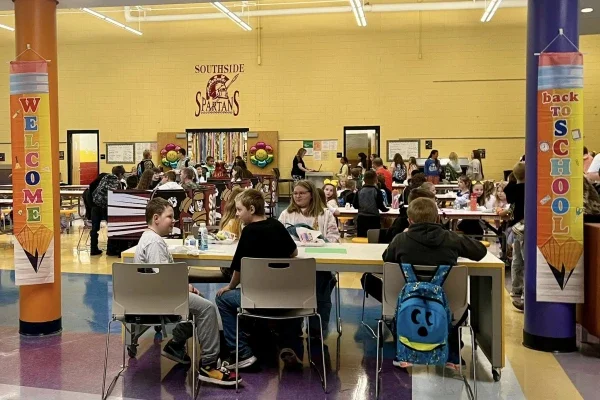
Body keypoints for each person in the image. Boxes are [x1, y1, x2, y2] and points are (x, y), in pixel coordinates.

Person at [134, 198, 237, 386]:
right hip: (160, 300)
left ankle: (176, 345)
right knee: (206, 308)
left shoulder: (149, 238)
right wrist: (184, 287)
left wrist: (185, 287)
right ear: (156, 218)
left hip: (153, 296)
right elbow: (162, 278)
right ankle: (209, 364)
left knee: (200, 302)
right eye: (169, 217)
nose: (173, 220)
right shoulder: (154, 243)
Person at [382, 197, 487, 368]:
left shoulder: (400, 240)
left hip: (408, 304)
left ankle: (404, 349)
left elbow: (387, 259)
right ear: (438, 218)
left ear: (410, 220)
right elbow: (480, 251)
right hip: (449, 305)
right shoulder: (451, 238)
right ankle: (452, 354)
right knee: (460, 308)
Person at [215, 190, 299, 369]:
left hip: (257, 299)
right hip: (285, 297)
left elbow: (239, 270)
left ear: (251, 209)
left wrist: (230, 287)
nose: (236, 214)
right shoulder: (277, 225)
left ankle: (241, 352)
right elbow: (294, 253)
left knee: (222, 299)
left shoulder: (248, 232)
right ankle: (287, 342)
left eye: (239, 210)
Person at [278, 180, 339, 340]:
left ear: (311, 195)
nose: (297, 196)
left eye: (302, 193)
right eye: (295, 193)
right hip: (293, 265)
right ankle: (292, 328)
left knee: (321, 282)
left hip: (319, 265)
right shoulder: (286, 214)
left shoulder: (325, 215)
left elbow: (334, 239)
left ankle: (316, 329)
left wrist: (319, 239)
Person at [504, 162, 525, 311]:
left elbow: (508, 190)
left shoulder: (511, 189)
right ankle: (524, 295)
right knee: (526, 261)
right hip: (526, 227)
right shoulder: (530, 188)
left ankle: (515, 288)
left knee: (516, 260)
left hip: (516, 227)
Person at [91, 166, 125, 256]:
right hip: (106, 207)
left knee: (94, 228)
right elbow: (118, 196)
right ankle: (111, 250)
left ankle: (93, 249)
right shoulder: (117, 182)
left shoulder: (104, 178)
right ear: (120, 174)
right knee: (113, 227)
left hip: (95, 205)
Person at [353, 170, 389, 237]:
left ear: (364, 179)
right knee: (374, 239)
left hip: (361, 218)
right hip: (374, 219)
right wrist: (387, 210)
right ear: (375, 179)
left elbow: (355, 205)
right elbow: (380, 206)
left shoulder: (359, 191)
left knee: (361, 238)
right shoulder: (377, 191)